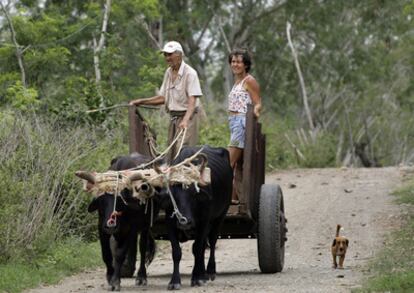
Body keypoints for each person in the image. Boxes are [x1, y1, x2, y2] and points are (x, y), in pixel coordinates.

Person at [129, 41, 203, 162]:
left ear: (179, 55)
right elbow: (163, 98)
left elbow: (192, 100)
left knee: (184, 152)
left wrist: (185, 121)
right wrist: (140, 101)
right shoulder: (168, 72)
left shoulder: (190, 73)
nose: (167, 58)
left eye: (170, 55)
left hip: (187, 118)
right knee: (172, 154)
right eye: (165, 55)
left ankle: (187, 180)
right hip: (173, 118)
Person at [227, 49, 262, 204]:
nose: (235, 64)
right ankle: (235, 197)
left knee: (229, 162)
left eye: (239, 62)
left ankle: (230, 198)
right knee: (237, 164)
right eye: (233, 61)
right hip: (234, 122)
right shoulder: (237, 82)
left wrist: (254, 113)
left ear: (246, 64)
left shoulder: (249, 81)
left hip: (242, 123)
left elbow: (258, 102)